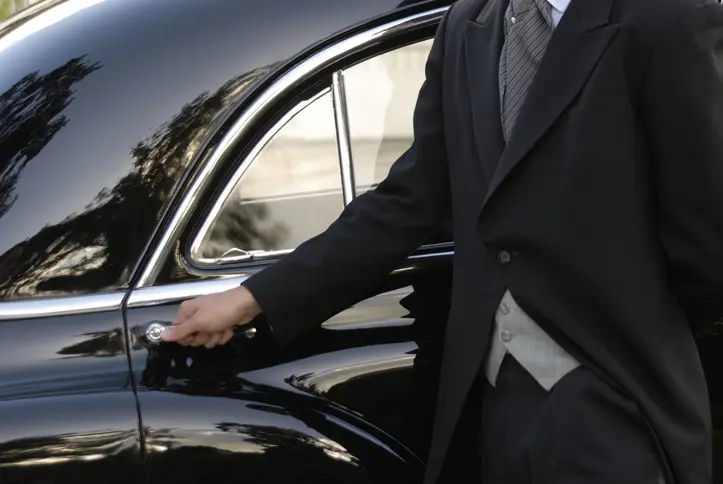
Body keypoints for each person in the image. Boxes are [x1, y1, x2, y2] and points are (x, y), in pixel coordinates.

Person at [162, 0, 723, 482]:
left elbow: (706, 240)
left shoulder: (666, 19)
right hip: (491, 407)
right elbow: (409, 198)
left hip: (615, 403)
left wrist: (635, 330)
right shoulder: (468, 23)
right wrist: (256, 295)